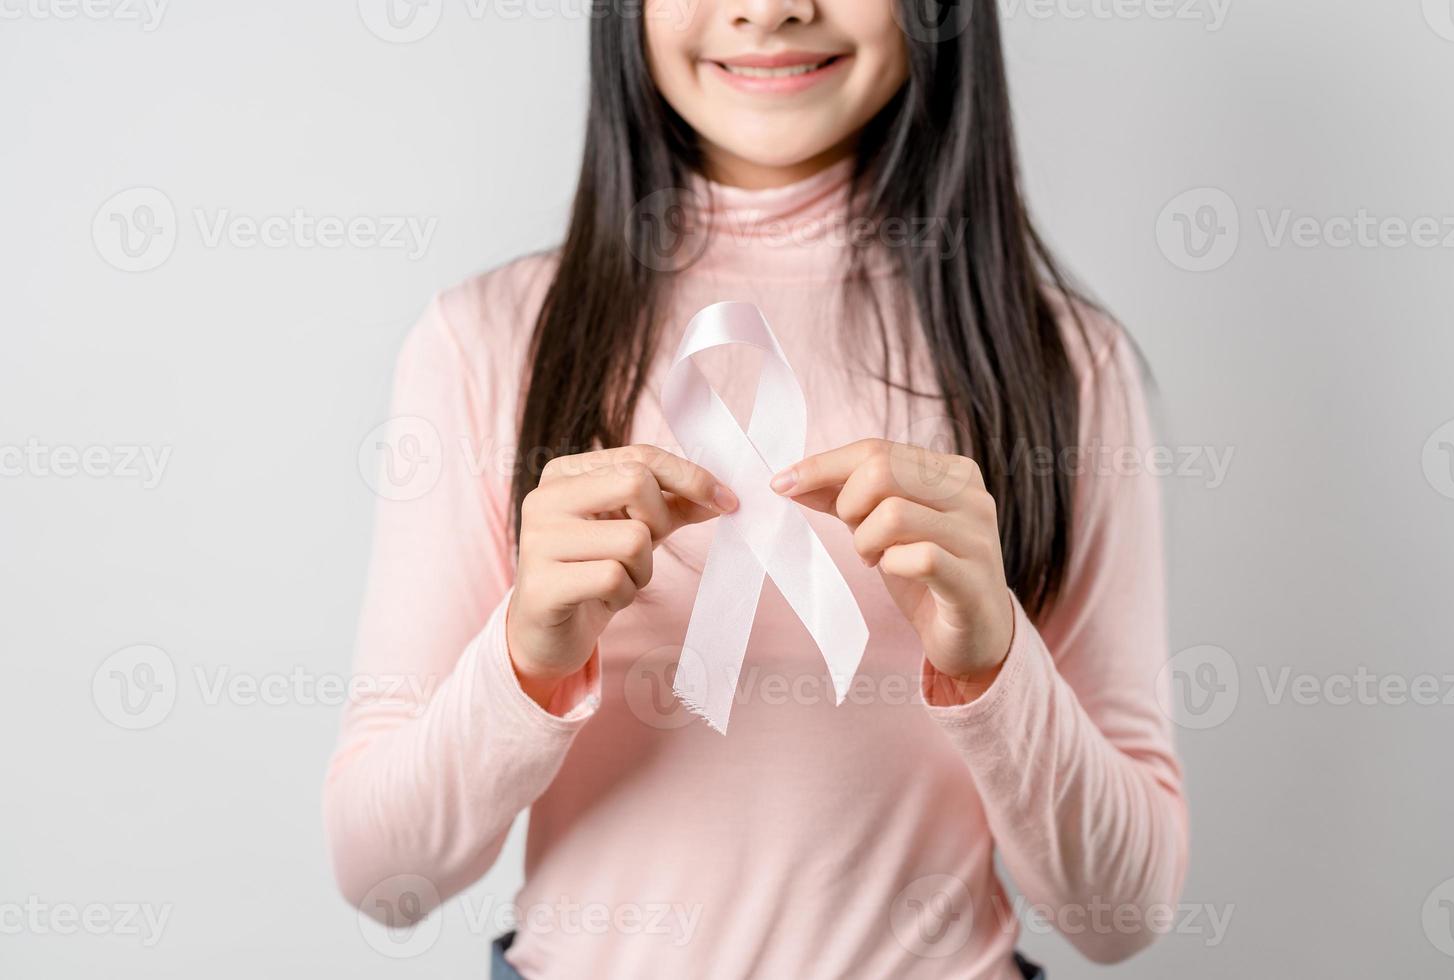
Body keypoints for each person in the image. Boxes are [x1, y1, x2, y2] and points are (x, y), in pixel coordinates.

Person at [324, 0, 1189, 975]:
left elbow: (1124, 910)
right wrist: (522, 658)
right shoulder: (488, 343)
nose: (769, 9)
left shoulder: (1063, 365)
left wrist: (998, 665)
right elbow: (380, 869)